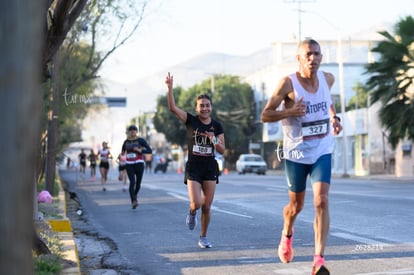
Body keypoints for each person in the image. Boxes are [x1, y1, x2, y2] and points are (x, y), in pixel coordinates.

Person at [261, 39, 342, 275]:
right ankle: (287, 232)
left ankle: (318, 260)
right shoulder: (288, 83)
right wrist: (290, 112)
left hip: (322, 150)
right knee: (296, 206)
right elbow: (265, 115)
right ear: (299, 58)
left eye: (317, 54)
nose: (312, 58)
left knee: (322, 201)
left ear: (321, 57)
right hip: (296, 153)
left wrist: (334, 117)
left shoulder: (328, 79)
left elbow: (328, 101)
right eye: (308, 54)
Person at [165, 72, 225, 249]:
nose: (204, 108)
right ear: (197, 108)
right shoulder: (190, 120)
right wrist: (170, 89)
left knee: (207, 206)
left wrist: (212, 138)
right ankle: (192, 212)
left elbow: (222, 149)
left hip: (210, 167)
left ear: (211, 107)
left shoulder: (217, 125)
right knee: (197, 203)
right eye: (201, 106)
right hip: (194, 167)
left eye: (207, 105)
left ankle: (203, 237)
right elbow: (172, 108)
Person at [121, 125, 152, 209]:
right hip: (129, 164)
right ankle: (133, 201)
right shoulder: (126, 142)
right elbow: (122, 153)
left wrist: (140, 150)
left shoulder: (140, 140)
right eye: (130, 130)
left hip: (139, 163)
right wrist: (122, 157)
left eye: (134, 130)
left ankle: (135, 196)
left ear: (136, 131)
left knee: (138, 184)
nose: (132, 132)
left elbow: (149, 150)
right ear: (129, 132)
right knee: (132, 182)